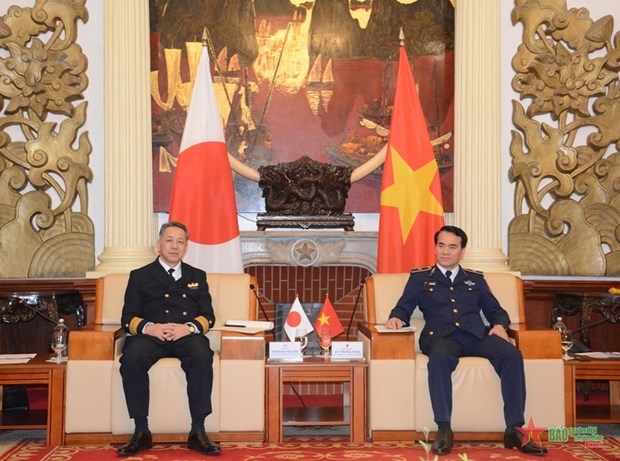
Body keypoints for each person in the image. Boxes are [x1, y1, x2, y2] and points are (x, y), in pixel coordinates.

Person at [385, 225, 546, 456]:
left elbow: (496, 311)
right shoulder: (420, 279)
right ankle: (443, 428)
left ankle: (515, 429)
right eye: (441, 246)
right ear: (435, 248)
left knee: (511, 354)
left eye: (452, 247)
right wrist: (396, 319)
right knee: (438, 359)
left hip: (476, 336)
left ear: (462, 251)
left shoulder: (475, 280)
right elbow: (403, 307)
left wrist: (500, 326)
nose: (446, 252)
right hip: (440, 337)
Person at [117, 221, 221, 456]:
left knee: (202, 355)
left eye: (180, 242)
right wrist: (150, 327)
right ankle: (141, 431)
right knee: (131, 358)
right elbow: (128, 317)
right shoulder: (140, 276)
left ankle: (198, 430)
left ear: (186, 247)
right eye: (169, 240)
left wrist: (189, 327)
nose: (175, 246)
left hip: (185, 335)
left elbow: (208, 316)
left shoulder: (197, 276)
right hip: (152, 336)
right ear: (159, 244)